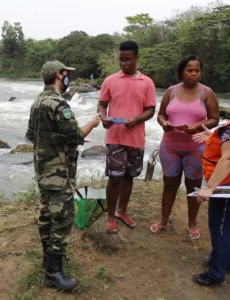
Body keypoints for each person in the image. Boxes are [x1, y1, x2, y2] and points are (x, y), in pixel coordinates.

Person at [26, 60, 100, 291]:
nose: (68, 78)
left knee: (47, 215)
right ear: (58, 75)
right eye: (66, 74)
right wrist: (93, 122)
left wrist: (58, 140)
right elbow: (76, 135)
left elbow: (32, 135)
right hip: (59, 173)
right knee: (64, 218)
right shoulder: (59, 104)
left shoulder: (38, 101)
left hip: (43, 170)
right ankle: (54, 271)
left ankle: (48, 261)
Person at [150, 55, 219, 239]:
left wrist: (197, 126)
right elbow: (161, 115)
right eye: (190, 70)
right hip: (170, 147)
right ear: (181, 71)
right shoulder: (171, 92)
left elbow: (214, 119)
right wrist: (164, 123)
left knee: (193, 186)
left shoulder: (207, 93)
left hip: (195, 148)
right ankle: (163, 220)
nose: (194, 74)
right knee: (169, 184)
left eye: (197, 70)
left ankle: (192, 223)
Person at [97, 40, 156, 234]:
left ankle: (123, 211)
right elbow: (102, 104)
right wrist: (103, 118)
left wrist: (136, 120)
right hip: (115, 137)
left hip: (136, 138)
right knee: (114, 178)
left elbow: (150, 110)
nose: (124, 63)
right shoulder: (110, 80)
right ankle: (111, 216)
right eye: (121, 60)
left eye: (128, 60)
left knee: (129, 176)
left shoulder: (147, 82)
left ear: (136, 58)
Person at [192, 121, 230, 286]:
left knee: (220, 229)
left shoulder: (228, 131)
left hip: (225, 187)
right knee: (227, 228)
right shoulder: (225, 132)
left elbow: (227, 159)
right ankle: (224, 261)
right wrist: (212, 137)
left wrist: (208, 188)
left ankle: (215, 273)